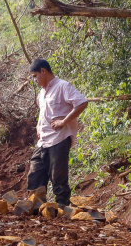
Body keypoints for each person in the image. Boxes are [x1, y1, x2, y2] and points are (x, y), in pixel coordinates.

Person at [27, 58, 89, 207]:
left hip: (59, 139)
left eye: (35, 76)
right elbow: (44, 112)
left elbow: (82, 102)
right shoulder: (42, 93)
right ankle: (36, 209)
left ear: (44, 71)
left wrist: (64, 122)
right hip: (43, 141)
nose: (34, 80)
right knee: (35, 174)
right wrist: (38, 125)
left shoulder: (63, 86)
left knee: (58, 178)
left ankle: (62, 209)